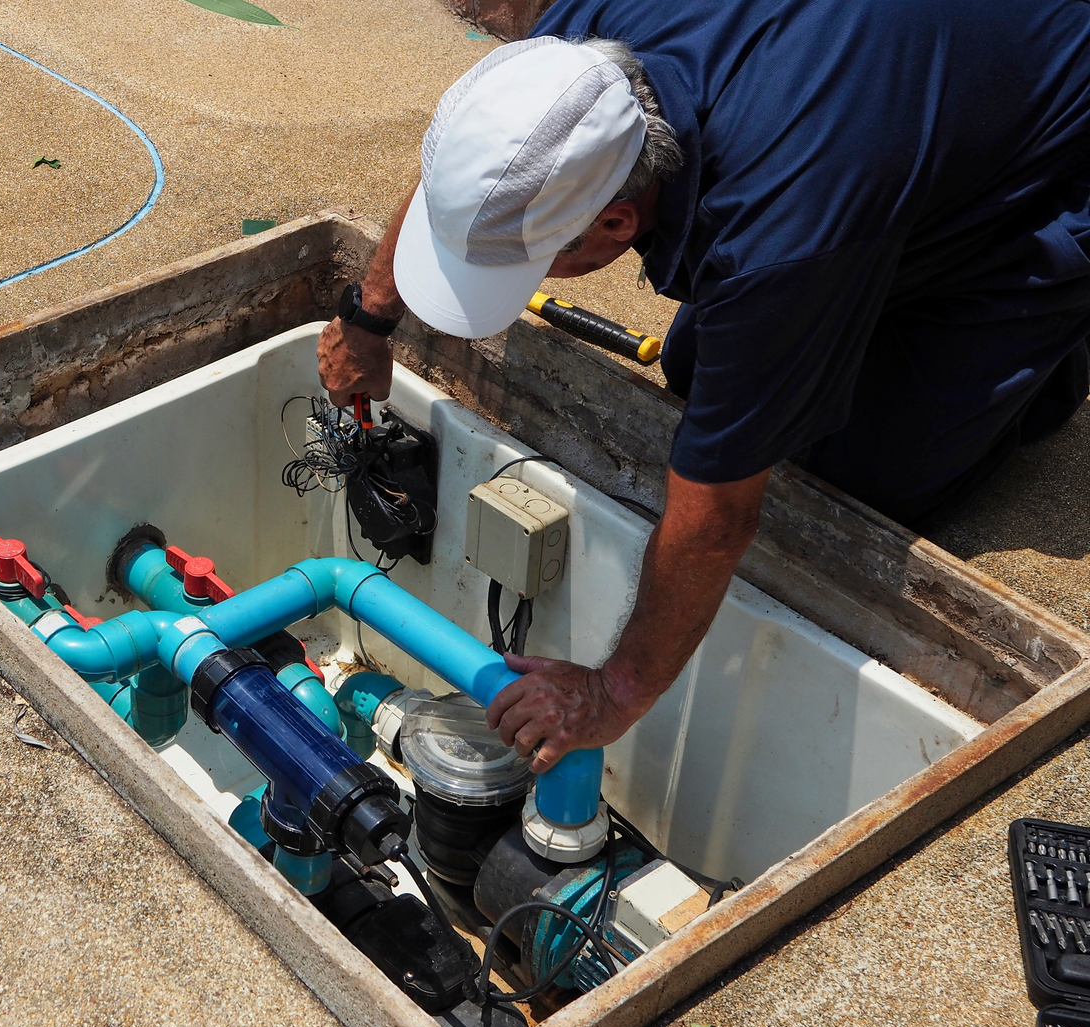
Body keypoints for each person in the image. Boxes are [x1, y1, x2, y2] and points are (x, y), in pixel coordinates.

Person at [318, 1, 1090, 773]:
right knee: (699, 372)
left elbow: (718, 517)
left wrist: (614, 693)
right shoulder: (576, 61)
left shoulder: (775, 241)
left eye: (526, 261)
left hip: (1044, 146)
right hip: (895, 100)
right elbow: (473, 170)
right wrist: (367, 316)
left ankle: (1043, 354)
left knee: (850, 476)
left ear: (617, 225)